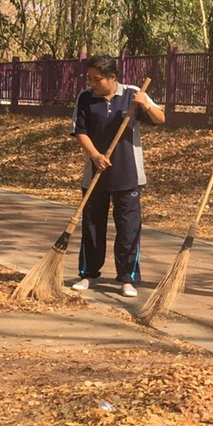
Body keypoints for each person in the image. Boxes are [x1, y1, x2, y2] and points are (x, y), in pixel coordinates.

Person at [69, 56, 164, 297]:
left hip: (128, 174)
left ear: (112, 78)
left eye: (97, 79)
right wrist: (95, 155)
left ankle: (128, 278)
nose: (92, 83)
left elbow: (160, 118)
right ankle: (88, 273)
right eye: (89, 78)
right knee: (92, 226)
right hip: (96, 173)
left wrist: (146, 105)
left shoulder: (132, 94)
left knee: (129, 228)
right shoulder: (85, 98)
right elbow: (80, 131)